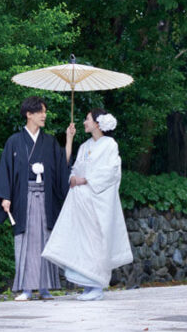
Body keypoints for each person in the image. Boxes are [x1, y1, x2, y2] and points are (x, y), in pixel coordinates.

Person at [41, 108, 133, 301]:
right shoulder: (84, 146)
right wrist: (73, 177)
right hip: (82, 200)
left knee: (97, 240)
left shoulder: (110, 145)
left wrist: (86, 180)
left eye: (88, 119)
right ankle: (86, 284)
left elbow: (112, 172)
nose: (84, 122)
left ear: (98, 124)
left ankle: (97, 286)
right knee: (82, 241)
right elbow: (76, 167)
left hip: (99, 201)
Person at [0, 96, 75, 301]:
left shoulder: (50, 141)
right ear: (29, 114)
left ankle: (44, 288)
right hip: (22, 197)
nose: (44, 116)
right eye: (40, 112)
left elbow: (62, 166)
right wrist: (5, 196)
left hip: (45, 197)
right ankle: (27, 288)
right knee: (25, 241)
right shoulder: (14, 141)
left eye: (45, 112)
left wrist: (69, 138)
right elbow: (6, 171)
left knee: (46, 239)